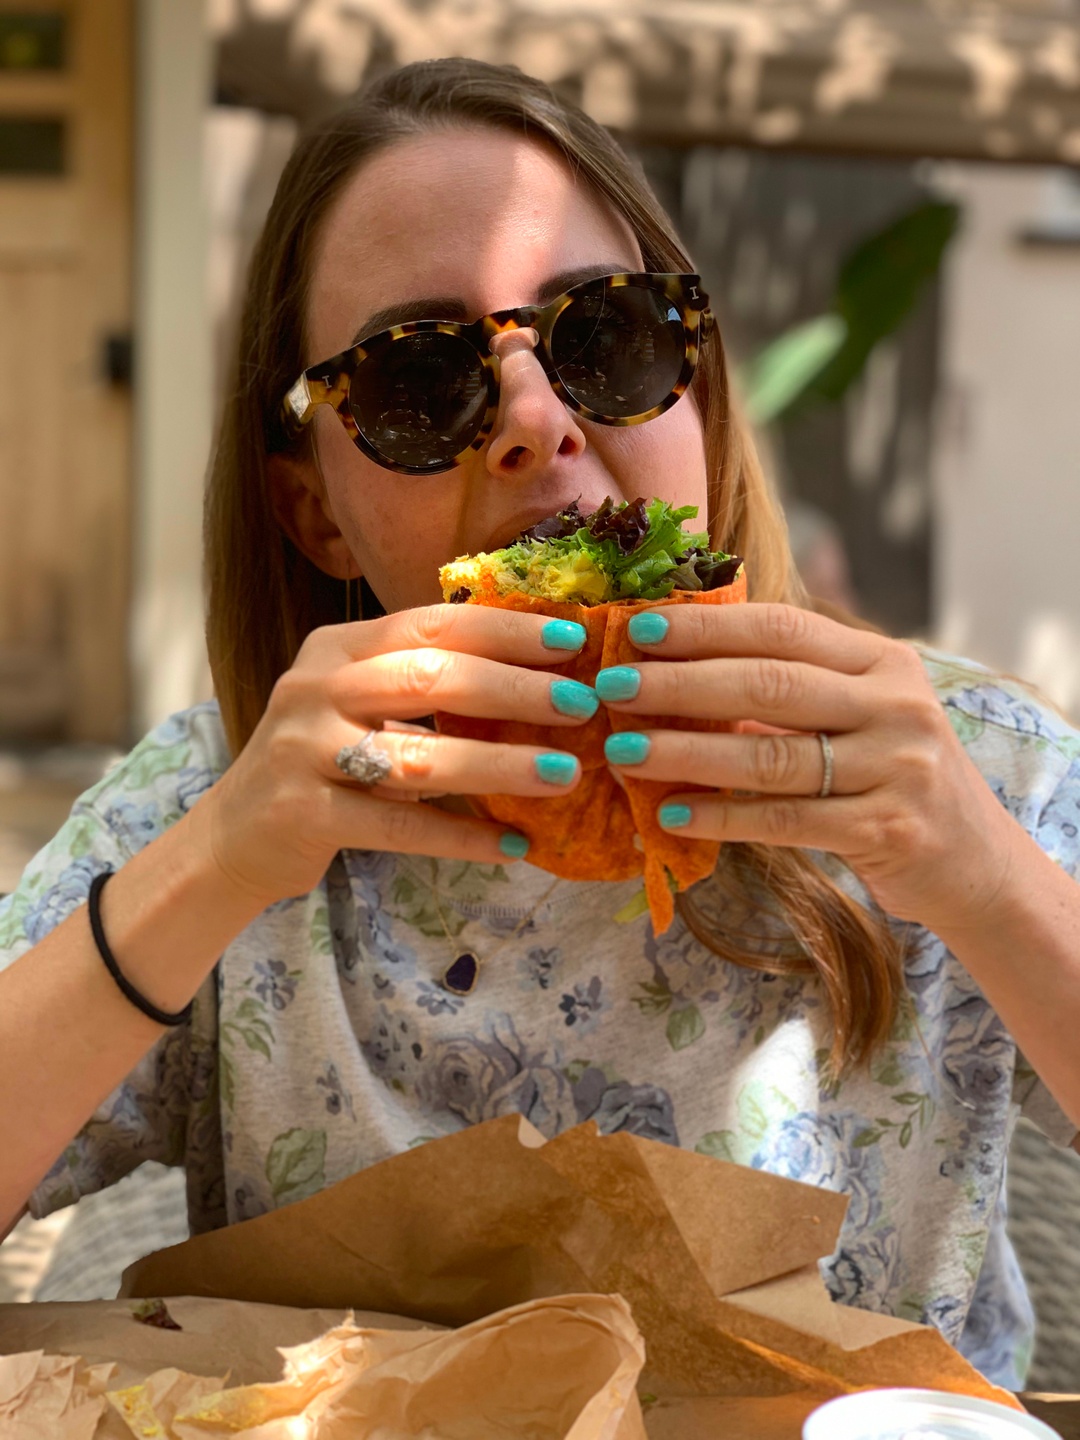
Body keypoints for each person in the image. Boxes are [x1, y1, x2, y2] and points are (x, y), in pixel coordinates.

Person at [1, 58, 1078, 1391]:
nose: (534, 420)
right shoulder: (220, 798)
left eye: (608, 336)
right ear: (314, 512)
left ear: (698, 393)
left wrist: (988, 877)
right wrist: (213, 866)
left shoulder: (962, 764)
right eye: (418, 380)